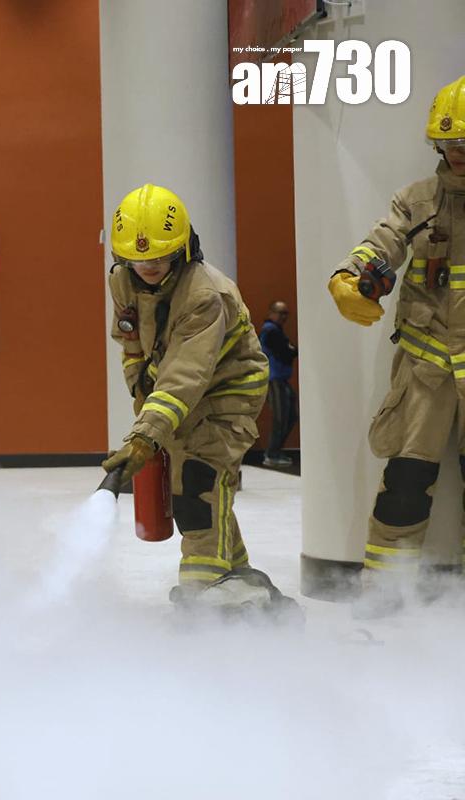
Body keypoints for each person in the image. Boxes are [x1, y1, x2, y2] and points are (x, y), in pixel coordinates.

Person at [102, 183, 296, 616]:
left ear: (183, 247)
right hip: (177, 389)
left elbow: (186, 375)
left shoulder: (206, 294)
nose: (148, 266)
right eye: (137, 259)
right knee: (199, 487)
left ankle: (202, 594)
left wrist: (146, 433)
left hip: (228, 392)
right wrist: (141, 398)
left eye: (159, 256)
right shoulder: (122, 281)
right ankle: (239, 578)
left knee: (198, 484)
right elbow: (131, 344)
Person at [326, 74, 465, 618]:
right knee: (406, 482)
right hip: (427, 367)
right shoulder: (417, 200)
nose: (459, 155)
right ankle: (383, 598)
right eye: (451, 144)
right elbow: (380, 241)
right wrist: (350, 276)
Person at [259, 300, 299, 468]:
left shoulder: (275, 331)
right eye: (280, 313)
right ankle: (272, 453)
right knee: (281, 417)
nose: (283, 317)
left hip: (280, 379)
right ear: (271, 313)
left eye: (285, 314)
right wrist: (291, 349)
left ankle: (275, 451)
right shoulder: (271, 331)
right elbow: (286, 352)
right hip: (274, 379)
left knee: (290, 415)